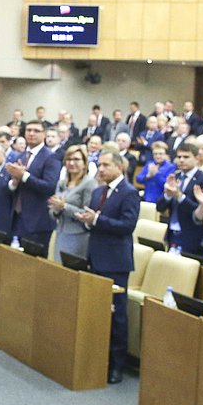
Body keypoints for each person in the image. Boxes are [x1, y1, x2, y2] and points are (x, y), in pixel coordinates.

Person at [74, 149, 139, 384]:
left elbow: (127, 226)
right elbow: (95, 221)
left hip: (115, 261)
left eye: (105, 165)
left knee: (117, 314)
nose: (100, 170)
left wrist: (97, 220)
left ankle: (117, 365)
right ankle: (98, 358)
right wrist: (90, 222)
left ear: (119, 166)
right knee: (97, 310)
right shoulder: (98, 191)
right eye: (99, 165)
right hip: (96, 256)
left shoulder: (129, 193)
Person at [5, 120, 61, 246]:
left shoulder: (51, 157)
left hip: (38, 221)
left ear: (44, 134)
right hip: (17, 217)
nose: (31, 133)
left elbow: (49, 187)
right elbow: (12, 185)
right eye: (29, 130)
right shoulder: (20, 155)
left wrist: (24, 176)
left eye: (36, 131)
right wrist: (14, 182)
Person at [162, 143, 203, 254]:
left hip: (192, 236)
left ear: (197, 158)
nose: (181, 160)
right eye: (179, 157)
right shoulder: (175, 177)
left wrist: (180, 197)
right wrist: (167, 195)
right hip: (172, 233)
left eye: (186, 157)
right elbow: (159, 207)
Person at [48, 145, 96, 259]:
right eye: (69, 159)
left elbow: (86, 213)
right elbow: (52, 212)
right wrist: (55, 210)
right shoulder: (62, 183)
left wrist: (64, 207)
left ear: (84, 163)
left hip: (78, 234)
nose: (72, 162)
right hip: (60, 231)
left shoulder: (89, 183)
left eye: (76, 159)